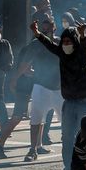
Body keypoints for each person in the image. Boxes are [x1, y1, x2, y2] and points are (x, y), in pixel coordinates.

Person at [31, 19, 86, 170]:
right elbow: (49, 44)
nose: (65, 44)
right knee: (67, 138)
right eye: (64, 41)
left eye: (68, 41)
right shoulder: (61, 54)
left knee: (85, 137)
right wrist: (37, 33)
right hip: (69, 102)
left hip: (84, 102)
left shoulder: (82, 55)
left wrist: (82, 35)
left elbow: (85, 47)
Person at [23, 15, 63, 161]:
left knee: (66, 121)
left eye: (48, 27)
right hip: (41, 87)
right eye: (44, 28)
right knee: (36, 118)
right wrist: (27, 74)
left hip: (58, 89)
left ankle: (70, 149)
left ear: (54, 28)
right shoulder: (36, 44)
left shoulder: (59, 42)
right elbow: (26, 65)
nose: (46, 30)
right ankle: (32, 150)